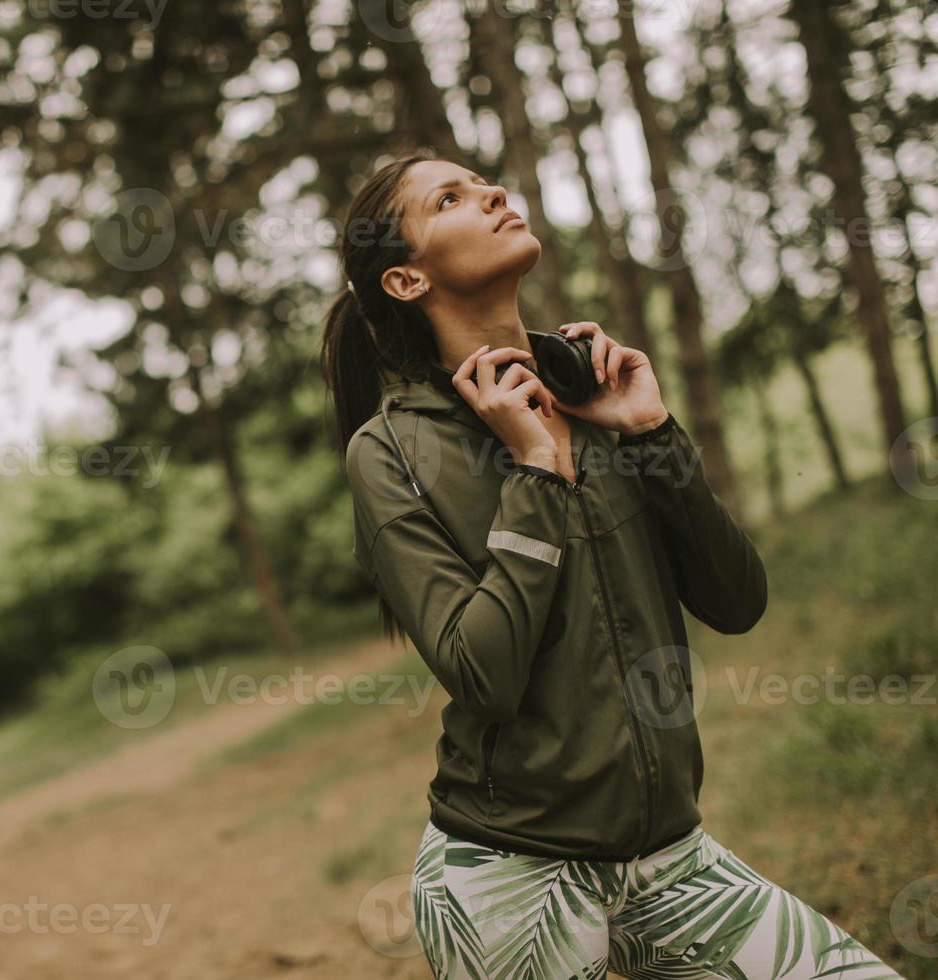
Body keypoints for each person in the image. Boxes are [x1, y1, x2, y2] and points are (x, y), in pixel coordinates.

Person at [319, 153, 904, 979]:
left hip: (670, 860)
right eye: (450, 199)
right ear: (408, 281)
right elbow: (482, 673)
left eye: (485, 180)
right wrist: (533, 474)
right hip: (508, 879)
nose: (492, 193)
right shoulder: (391, 453)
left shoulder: (593, 398)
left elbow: (737, 600)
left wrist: (652, 432)